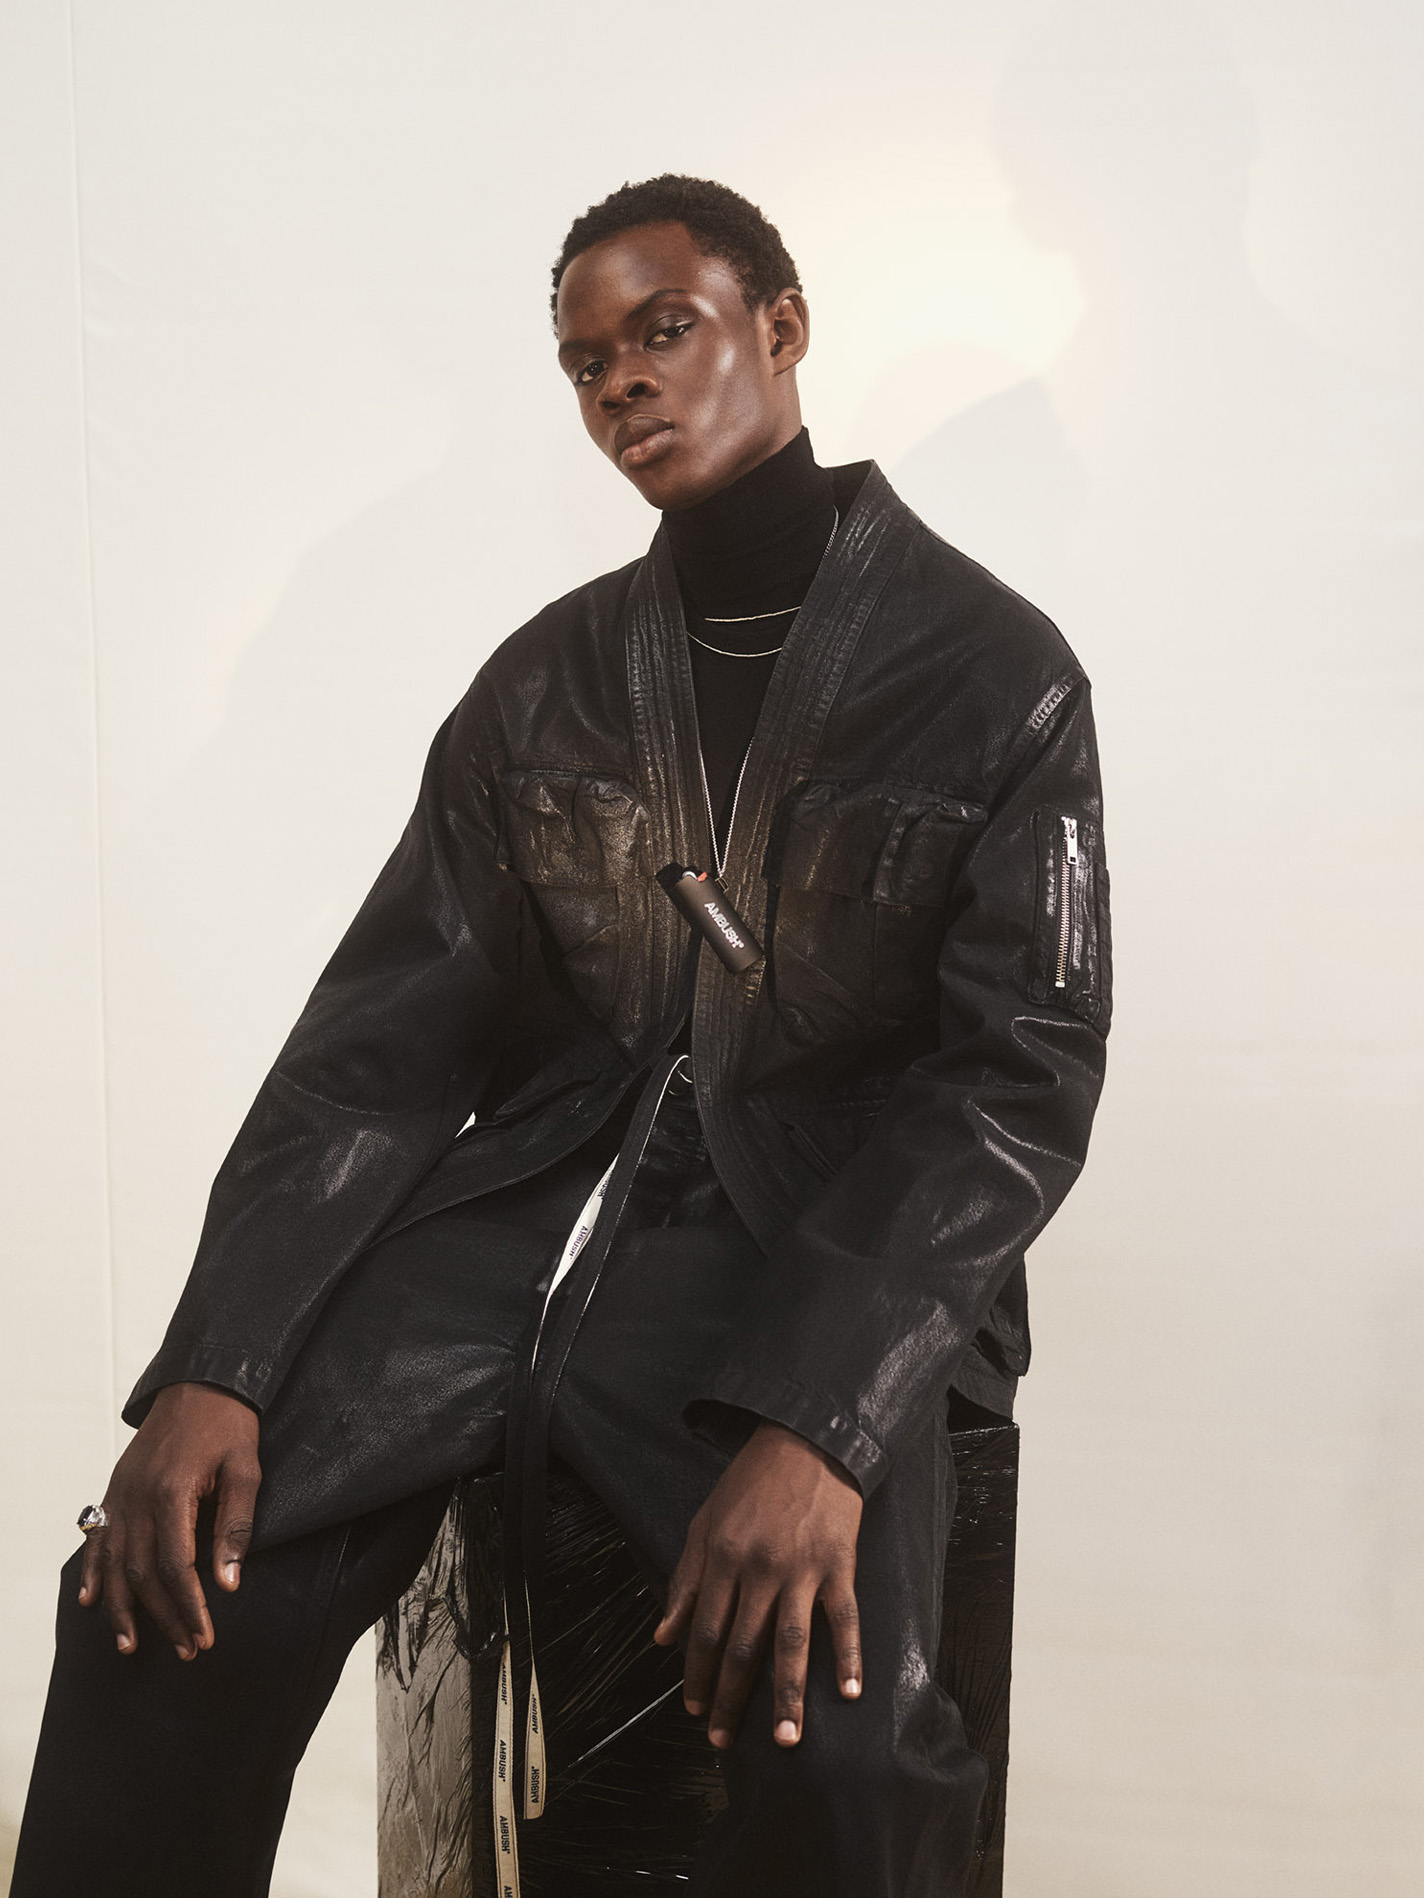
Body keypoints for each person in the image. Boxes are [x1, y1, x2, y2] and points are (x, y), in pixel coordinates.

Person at [12, 174, 1110, 1898]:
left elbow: (1014, 1080)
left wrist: (825, 1417)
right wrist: (216, 1363)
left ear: (782, 326)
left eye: (664, 329)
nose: (624, 384)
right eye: (588, 363)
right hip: (510, 1227)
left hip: (813, 1258)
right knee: (151, 1595)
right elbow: (374, 1051)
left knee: (840, 1731)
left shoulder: (993, 673)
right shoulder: (545, 682)